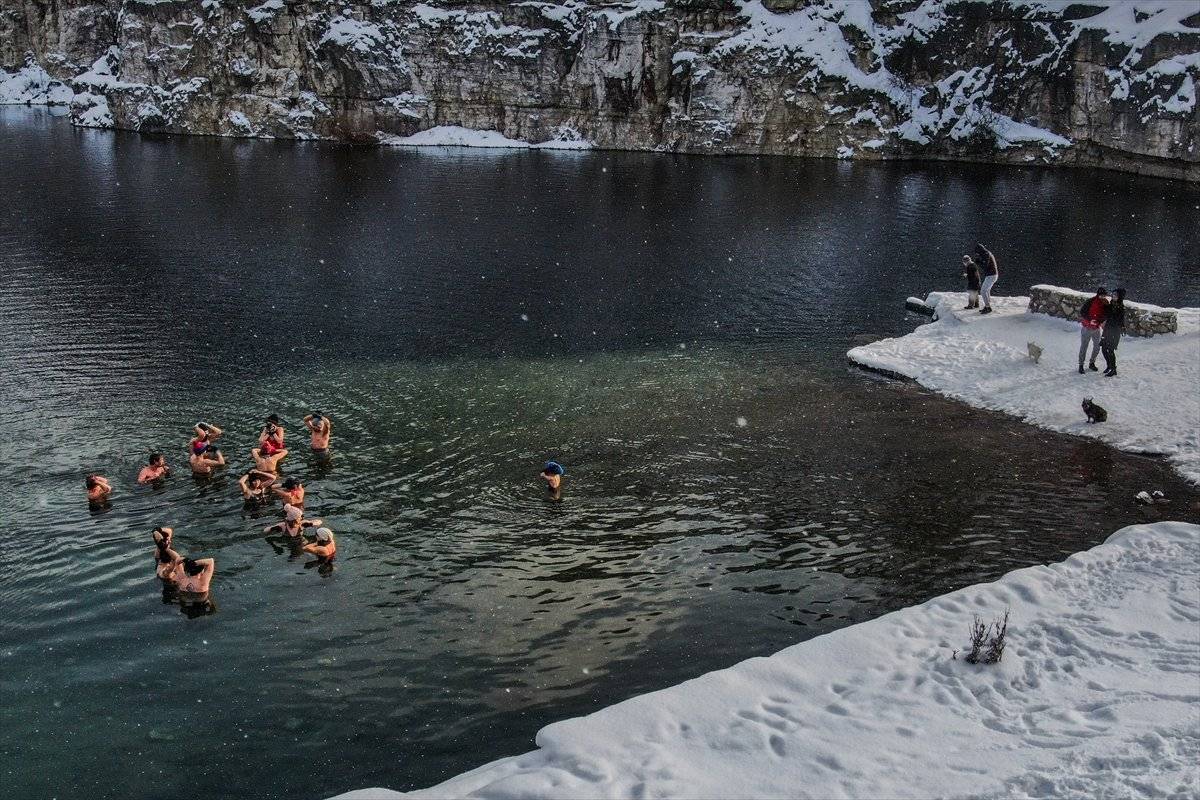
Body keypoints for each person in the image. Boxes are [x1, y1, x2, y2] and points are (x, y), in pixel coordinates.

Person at [1077, 286, 1109, 374]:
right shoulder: (1090, 301)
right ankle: (1081, 365)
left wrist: (1100, 321)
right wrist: (1090, 320)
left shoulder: (1106, 303)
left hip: (1096, 328)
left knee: (1097, 346)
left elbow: (1106, 314)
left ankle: (1092, 363)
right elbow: (1083, 312)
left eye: (1104, 295)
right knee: (1084, 347)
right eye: (1101, 295)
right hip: (1087, 327)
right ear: (1098, 295)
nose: (1103, 297)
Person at [1101, 288, 1126, 377]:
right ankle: (1109, 366)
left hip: (1114, 331)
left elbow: (1119, 320)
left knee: (1110, 350)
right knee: (1103, 348)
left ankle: (1113, 369)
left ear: (1120, 297)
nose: (1113, 296)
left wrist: (1122, 327)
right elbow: (1106, 312)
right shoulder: (1111, 303)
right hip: (1107, 329)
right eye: (1113, 294)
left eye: (1116, 295)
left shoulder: (1120, 307)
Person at [974, 243, 998, 314]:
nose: (977, 254)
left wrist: (978, 262)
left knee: (983, 291)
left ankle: (988, 307)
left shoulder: (986, 254)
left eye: (977, 253)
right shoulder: (987, 253)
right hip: (993, 275)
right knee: (987, 290)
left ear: (979, 250)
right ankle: (987, 306)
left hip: (991, 275)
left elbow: (985, 266)